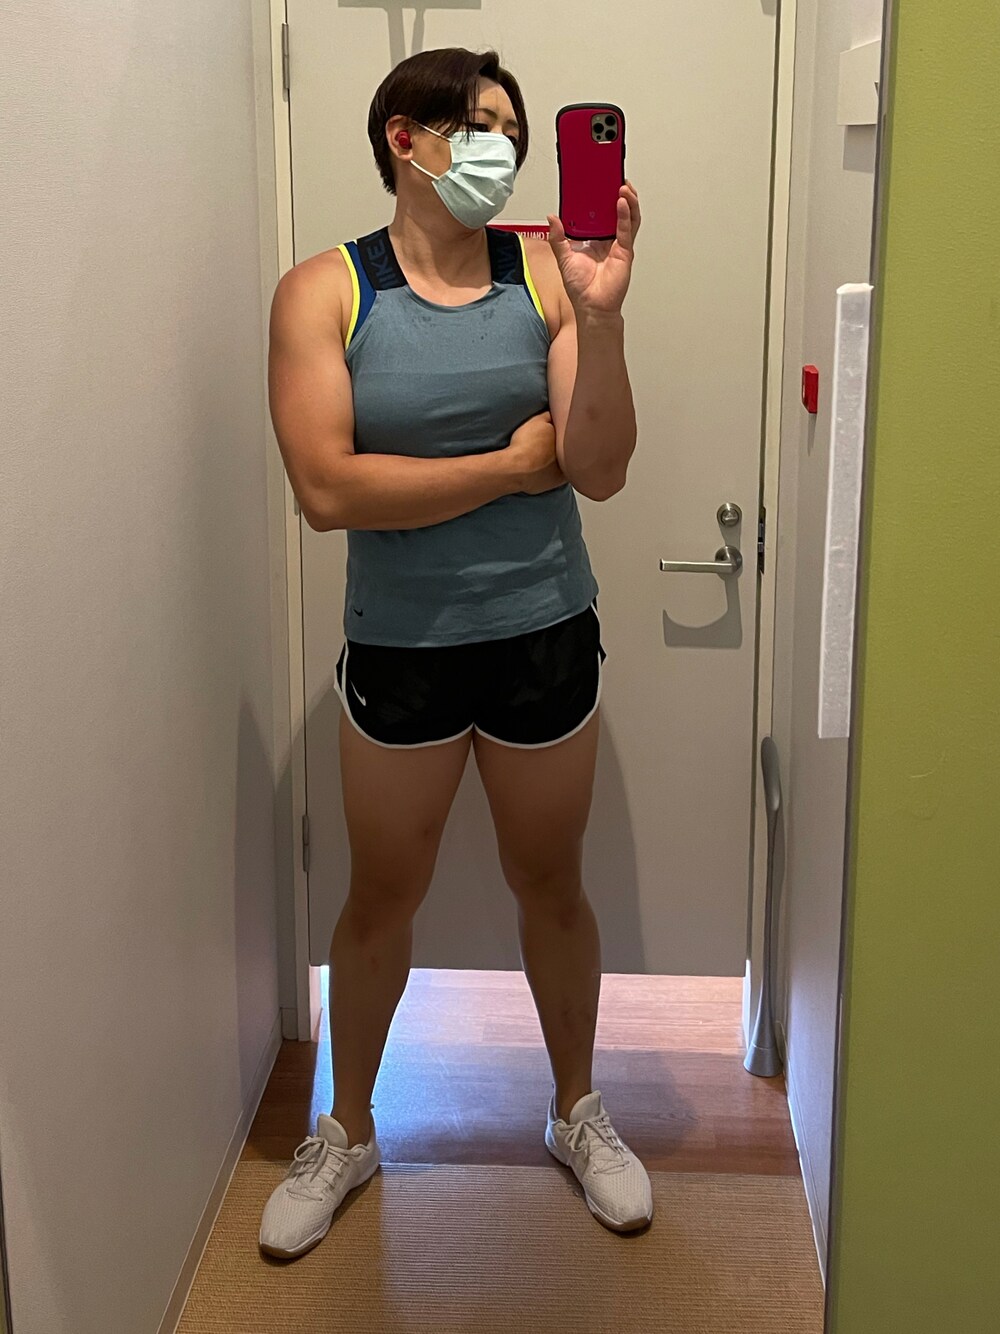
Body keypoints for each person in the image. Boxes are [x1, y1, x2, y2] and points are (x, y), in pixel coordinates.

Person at [260, 46, 650, 1260]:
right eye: (480, 125)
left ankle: (575, 1108)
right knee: (382, 894)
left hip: (542, 633)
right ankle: (348, 1128)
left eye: (513, 133)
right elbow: (328, 490)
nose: (502, 150)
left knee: (553, 885)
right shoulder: (324, 292)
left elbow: (597, 467)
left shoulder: (545, 274)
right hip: (401, 649)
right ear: (405, 138)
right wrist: (507, 465)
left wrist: (599, 313)